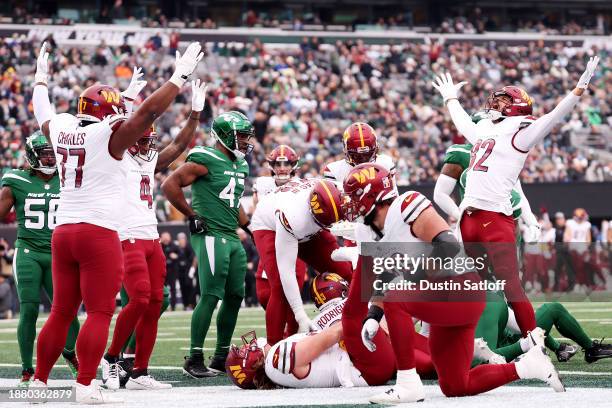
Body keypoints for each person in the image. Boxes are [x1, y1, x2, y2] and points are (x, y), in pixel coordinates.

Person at [30, 41, 203, 403]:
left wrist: (40, 80)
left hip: (63, 230)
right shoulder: (109, 136)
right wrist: (179, 77)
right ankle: (85, 385)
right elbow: (148, 113)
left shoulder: (62, 128)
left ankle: (39, 384)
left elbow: (42, 111)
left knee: (61, 311)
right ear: (110, 112)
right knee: (98, 312)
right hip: (98, 231)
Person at [344, 163, 563, 404]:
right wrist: (374, 315)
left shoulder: (406, 205)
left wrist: (409, 277)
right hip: (443, 301)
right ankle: (528, 367)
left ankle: (408, 384)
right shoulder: (369, 231)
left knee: (396, 296)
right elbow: (384, 275)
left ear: (371, 196)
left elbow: (447, 246)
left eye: (353, 197)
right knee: (456, 385)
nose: (350, 204)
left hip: (461, 288)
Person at [432, 55, 599, 337]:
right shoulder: (487, 128)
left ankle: (534, 344)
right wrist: (451, 100)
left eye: (501, 102)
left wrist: (578, 89)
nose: (494, 105)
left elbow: (554, 116)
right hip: (468, 217)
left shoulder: (521, 133)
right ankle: (482, 337)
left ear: (516, 107)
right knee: (471, 283)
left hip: (495, 218)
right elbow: (464, 124)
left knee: (511, 286)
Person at [101, 78, 208, 390]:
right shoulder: (114, 159)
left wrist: (195, 114)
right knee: (139, 299)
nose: (149, 145)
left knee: (157, 302)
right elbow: (116, 125)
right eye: (144, 139)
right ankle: (110, 359)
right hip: (126, 235)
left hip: (150, 237)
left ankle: (139, 372)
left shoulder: (147, 161)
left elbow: (178, 146)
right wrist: (126, 98)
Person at [162, 111, 255, 378]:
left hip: (232, 235)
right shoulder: (205, 158)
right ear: (225, 136)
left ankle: (221, 356)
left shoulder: (241, 165)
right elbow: (170, 184)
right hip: (212, 234)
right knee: (211, 294)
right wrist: (192, 215)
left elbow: (233, 204)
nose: (246, 142)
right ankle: (194, 358)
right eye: (241, 137)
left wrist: (251, 226)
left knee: (235, 296)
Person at [0, 132, 81, 386]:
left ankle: (70, 352)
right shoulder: (16, 180)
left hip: (60, 254)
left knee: (68, 311)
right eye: (44, 153)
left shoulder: (68, 178)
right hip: (28, 252)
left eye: (52, 153)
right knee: (29, 307)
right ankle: (26, 369)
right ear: (32, 155)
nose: (49, 157)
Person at [225, 273, 397, 389]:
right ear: (252, 364)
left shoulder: (276, 368)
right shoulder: (275, 360)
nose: (247, 345)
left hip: (367, 365)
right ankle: (362, 254)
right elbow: (334, 334)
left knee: (422, 360)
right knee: (362, 303)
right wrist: (371, 318)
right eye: (242, 351)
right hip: (368, 368)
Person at [250, 179, 353, 346]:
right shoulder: (293, 216)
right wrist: (300, 314)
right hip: (269, 225)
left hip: (310, 222)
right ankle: (272, 350)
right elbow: (287, 272)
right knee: (280, 288)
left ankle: (361, 322)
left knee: (345, 271)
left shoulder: (339, 194)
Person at [475, 292, 612, 364]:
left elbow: (520, 322)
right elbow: (519, 325)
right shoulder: (481, 283)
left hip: (501, 340)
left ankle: (587, 349)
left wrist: (556, 347)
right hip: (493, 349)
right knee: (552, 309)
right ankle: (591, 349)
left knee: (550, 310)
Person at [251, 145, 306, 310]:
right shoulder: (262, 184)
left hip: (295, 244)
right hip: (270, 240)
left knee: (290, 295)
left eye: (287, 164)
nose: (282, 168)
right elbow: (257, 211)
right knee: (264, 295)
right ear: (271, 166)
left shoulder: (302, 185)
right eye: (278, 164)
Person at [322, 122, 395, 190]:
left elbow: (392, 199)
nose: (363, 159)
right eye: (357, 156)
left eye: (367, 155)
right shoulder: (333, 170)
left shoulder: (386, 164)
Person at [564, 208, 592, 292]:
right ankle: (577, 284)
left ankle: (581, 284)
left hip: (583, 248)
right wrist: (568, 242)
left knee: (582, 267)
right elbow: (567, 236)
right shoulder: (570, 223)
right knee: (575, 267)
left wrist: (586, 249)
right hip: (573, 248)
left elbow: (588, 239)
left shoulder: (586, 224)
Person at [161, 231, 181, 310]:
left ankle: (173, 306)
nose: (166, 239)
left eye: (167, 236)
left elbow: (181, 254)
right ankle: (162, 306)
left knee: (173, 289)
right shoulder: (159, 246)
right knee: (162, 290)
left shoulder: (174, 245)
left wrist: (176, 256)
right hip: (163, 271)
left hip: (172, 271)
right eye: (164, 237)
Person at [176, 232, 196, 309]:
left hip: (188, 270)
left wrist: (192, 269)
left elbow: (194, 257)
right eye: (180, 239)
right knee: (182, 287)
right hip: (180, 270)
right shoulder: (177, 248)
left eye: (183, 239)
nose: (182, 241)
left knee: (190, 286)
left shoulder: (189, 247)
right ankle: (185, 304)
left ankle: (192, 304)